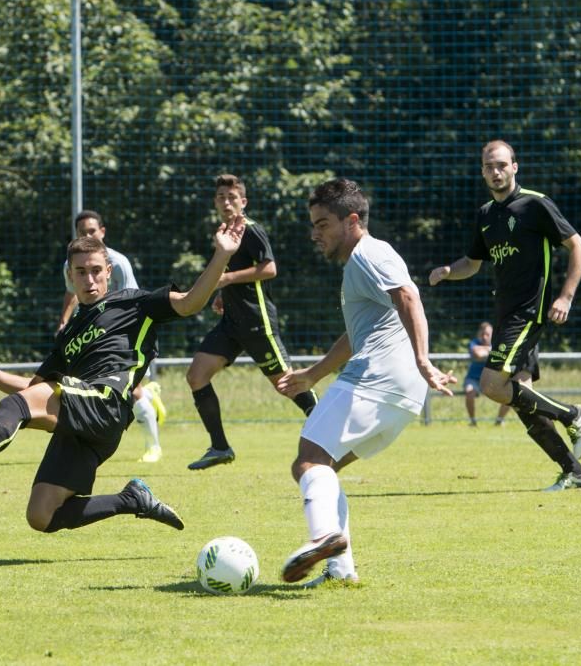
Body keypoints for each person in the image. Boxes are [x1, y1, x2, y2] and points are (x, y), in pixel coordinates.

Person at [0, 216, 247, 537]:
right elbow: (33, 391)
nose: (89, 279)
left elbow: (189, 303)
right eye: (80, 272)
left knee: (17, 406)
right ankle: (131, 500)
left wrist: (221, 255)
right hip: (83, 417)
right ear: (70, 275)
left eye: (96, 270)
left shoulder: (133, 303)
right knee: (42, 516)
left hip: (107, 402)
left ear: (109, 271)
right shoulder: (68, 335)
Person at [275, 178, 455, 586]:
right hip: (401, 393)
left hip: (376, 379)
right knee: (324, 469)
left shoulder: (369, 254)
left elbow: (409, 297)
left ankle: (322, 537)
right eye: (313, 225)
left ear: (351, 220)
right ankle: (341, 571)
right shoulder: (362, 263)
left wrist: (424, 359)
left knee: (308, 461)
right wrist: (312, 375)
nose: (314, 234)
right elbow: (357, 334)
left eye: (322, 224)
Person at [429, 140, 581, 492]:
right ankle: (574, 472)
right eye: (490, 166)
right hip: (505, 315)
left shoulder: (535, 204)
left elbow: (579, 246)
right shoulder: (486, 215)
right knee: (523, 404)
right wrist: (446, 271)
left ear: (515, 167)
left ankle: (573, 414)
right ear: (483, 171)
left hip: (529, 312)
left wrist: (565, 296)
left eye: (502, 165)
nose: (496, 171)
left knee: (491, 386)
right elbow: (471, 264)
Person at [185, 174, 319, 470]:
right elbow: (229, 270)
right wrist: (222, 292)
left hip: (257, 321)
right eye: (221, 197)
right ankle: (220, 447)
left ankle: (331, 427)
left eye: (232, 197)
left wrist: (227, 279)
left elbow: (269, 268)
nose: (226, 202)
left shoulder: (252, 229)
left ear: (243, 202)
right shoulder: (223, 232)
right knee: (196, 376)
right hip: (232, 323)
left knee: (286, 384)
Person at [56, 210, 167, 462]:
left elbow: (133, 303)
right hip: (98, 333)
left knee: (131, 388)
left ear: (102, 232)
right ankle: (149, 396)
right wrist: (64, 320)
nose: (87, 235)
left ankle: (154, 447)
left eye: (92, 231)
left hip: (127, 331)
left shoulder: (118, 263)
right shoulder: (70, 263)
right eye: (82, 232)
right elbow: (71, 292)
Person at [464, 322, 511, 426]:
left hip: (492, 379)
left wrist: (485, 350)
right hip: (474, 379)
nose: (484, 337)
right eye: (482, 334)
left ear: (493, 334)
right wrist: (492, 351)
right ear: (479, 334)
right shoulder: (474, 342)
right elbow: (478, 353)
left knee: (510, 394)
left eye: (487, 334)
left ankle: (499, 421)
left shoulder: (498, 343)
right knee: (469, 392)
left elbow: (505, 353)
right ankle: (472, 421)